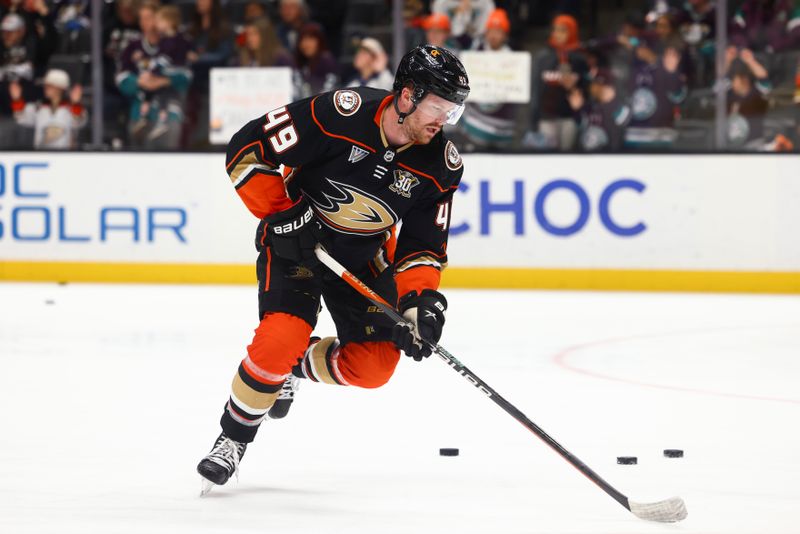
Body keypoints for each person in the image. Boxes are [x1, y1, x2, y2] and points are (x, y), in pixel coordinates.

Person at [196, 44, 470, 492]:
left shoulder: (440, 166)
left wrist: (419, 304)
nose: (443, 121)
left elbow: (422, 247)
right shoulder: (340, 114)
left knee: (376, 367)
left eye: (452, 111)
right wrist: (283, 214)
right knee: (277, 338)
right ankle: (233, 438)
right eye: (437, 107)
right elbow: (247, 149)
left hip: (363, 257)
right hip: (296, 248)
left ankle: (292, 367)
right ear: (406, 96)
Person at [459, 8, 518, 149]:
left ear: (505, 35)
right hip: (474, 125)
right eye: (491, 30)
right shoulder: (474, 52)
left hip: (502, 127)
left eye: (498, 31)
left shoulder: (513, 59)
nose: (493, 36)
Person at [529, 14, 588, 151]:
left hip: (570, 118)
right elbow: (536, 89)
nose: (558, 34)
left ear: (572, 32)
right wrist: (534, 119)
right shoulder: (544, 57)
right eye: (555, 30)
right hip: (547, 117)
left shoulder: (580, 59)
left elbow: (585, 88)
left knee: (568, 156)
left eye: (563, 30)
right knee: (546, 158)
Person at [8, 67, 86, 148]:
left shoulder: (71, 108)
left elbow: (78, 122)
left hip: (66, 157)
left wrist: (76, 104)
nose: (45, 88)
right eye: (45, 85)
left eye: (49, 86)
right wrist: (17, 100)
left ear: (60, 88)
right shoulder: (38, 107)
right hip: (42, 156)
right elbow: (20, 118)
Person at [567, 67, 631, 152]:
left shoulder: (623, 106)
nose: (596, 88)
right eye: (594, 84)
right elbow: (581, 123)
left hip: (610, 158)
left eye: (601, 84)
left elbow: (621, 120)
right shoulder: (589, 106)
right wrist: (577, 110)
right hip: (584, 157)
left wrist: (609, 102)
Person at [292, 22, 338, 99]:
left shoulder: (327, 60)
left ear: (319, 41)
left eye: (311, 39)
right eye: (302, 40)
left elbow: (330, 88)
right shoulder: (303, 63)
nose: (306, 44)